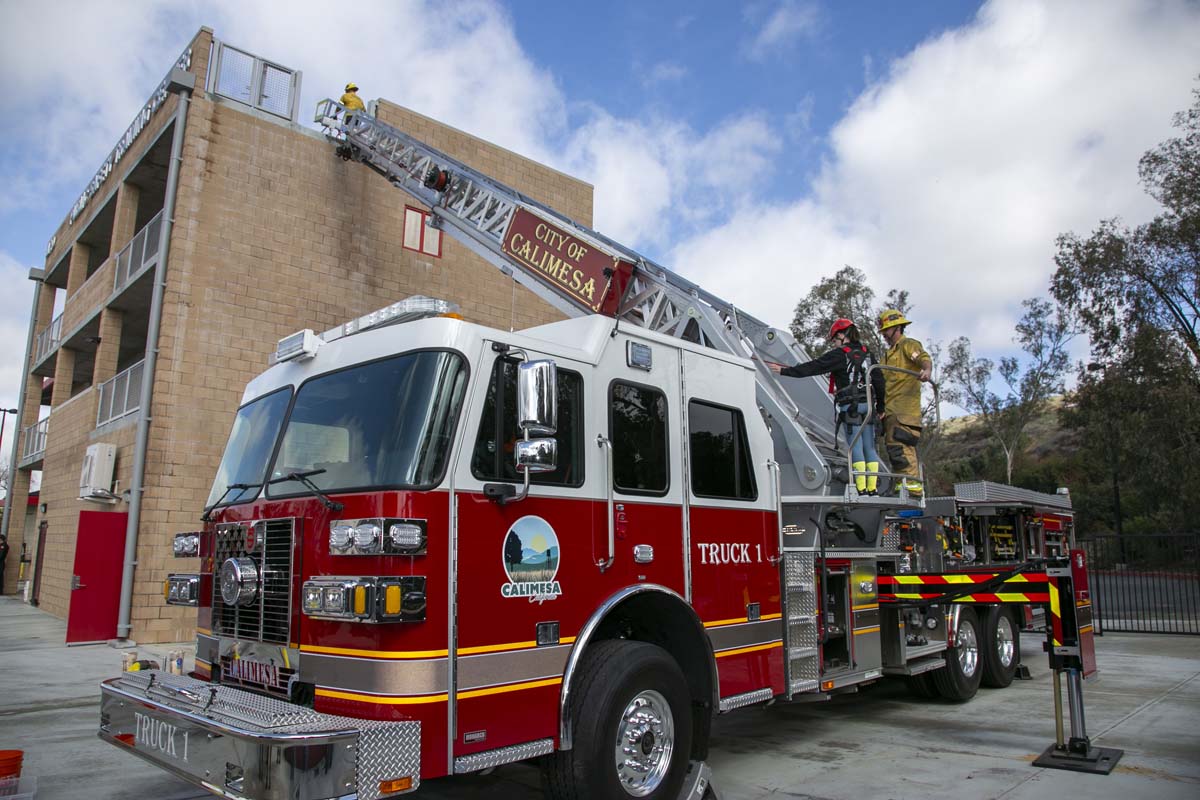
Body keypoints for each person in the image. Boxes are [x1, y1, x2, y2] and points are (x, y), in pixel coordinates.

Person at [772, 319, 885, 496]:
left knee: (855, 446)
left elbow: (814, 367)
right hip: (868, 406)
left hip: (851, 406)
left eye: (835, 339)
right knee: (869, 448)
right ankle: (873, 488)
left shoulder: (840, 355)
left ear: (842, 335)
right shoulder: (868, 354)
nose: (834, 343)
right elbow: (879, 380)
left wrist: (785, 371)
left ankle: (861, 488)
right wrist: (881, 407)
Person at [878, 309, 933, 495]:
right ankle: (903, 484)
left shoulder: (908, 345)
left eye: (886, 330)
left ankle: (913, 486)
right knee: (894, 449)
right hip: (890, 409)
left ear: (896, 327)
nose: (884, 334)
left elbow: (924, 359)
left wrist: (926, 371)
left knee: (902, 445)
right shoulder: (886, 355)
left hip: (905, 410)